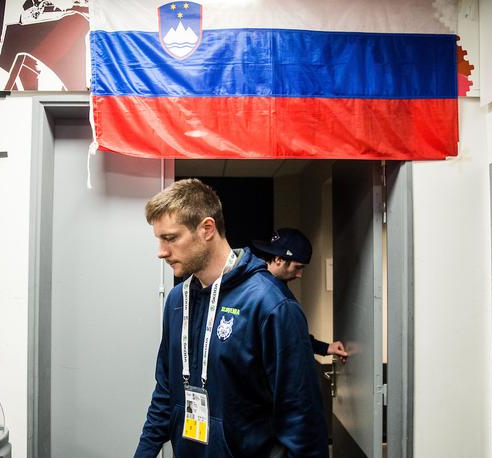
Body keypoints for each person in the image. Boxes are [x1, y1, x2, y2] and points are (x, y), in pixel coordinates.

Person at [135, 179, 328, 458]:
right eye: (159, 239)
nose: (161, 251)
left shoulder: (271, 305)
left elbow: (302, 419)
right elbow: (165, 391)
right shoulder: (177, 301)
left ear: (207, 229)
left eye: (171, 238)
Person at [253, 229, 348, 362]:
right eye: (297, 267)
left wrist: (326, 348)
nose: (299, 275)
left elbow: (292, 334)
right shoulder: (268, 294)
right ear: (278, 259)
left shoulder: (269, 285)